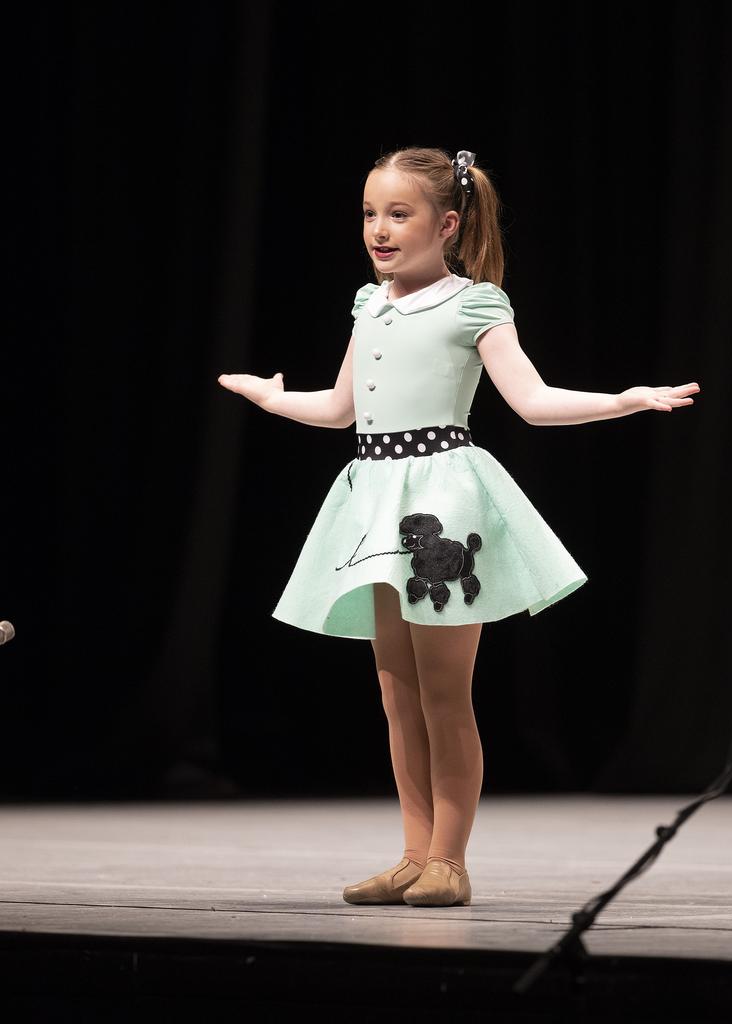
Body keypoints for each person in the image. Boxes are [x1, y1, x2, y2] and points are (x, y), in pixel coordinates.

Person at [218, 147, 700, 909]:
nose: (379, 229)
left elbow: (533, 401)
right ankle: (413, 852)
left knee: (445, 694)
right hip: (375, 499)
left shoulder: (472, 304)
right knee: (395, 692)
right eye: (370, 213)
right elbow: (342, 408)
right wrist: (272, 399)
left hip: (440, 496)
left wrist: (623, 400)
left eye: (399, 214)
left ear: (447, 224)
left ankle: (450, 857)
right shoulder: (368, 303)